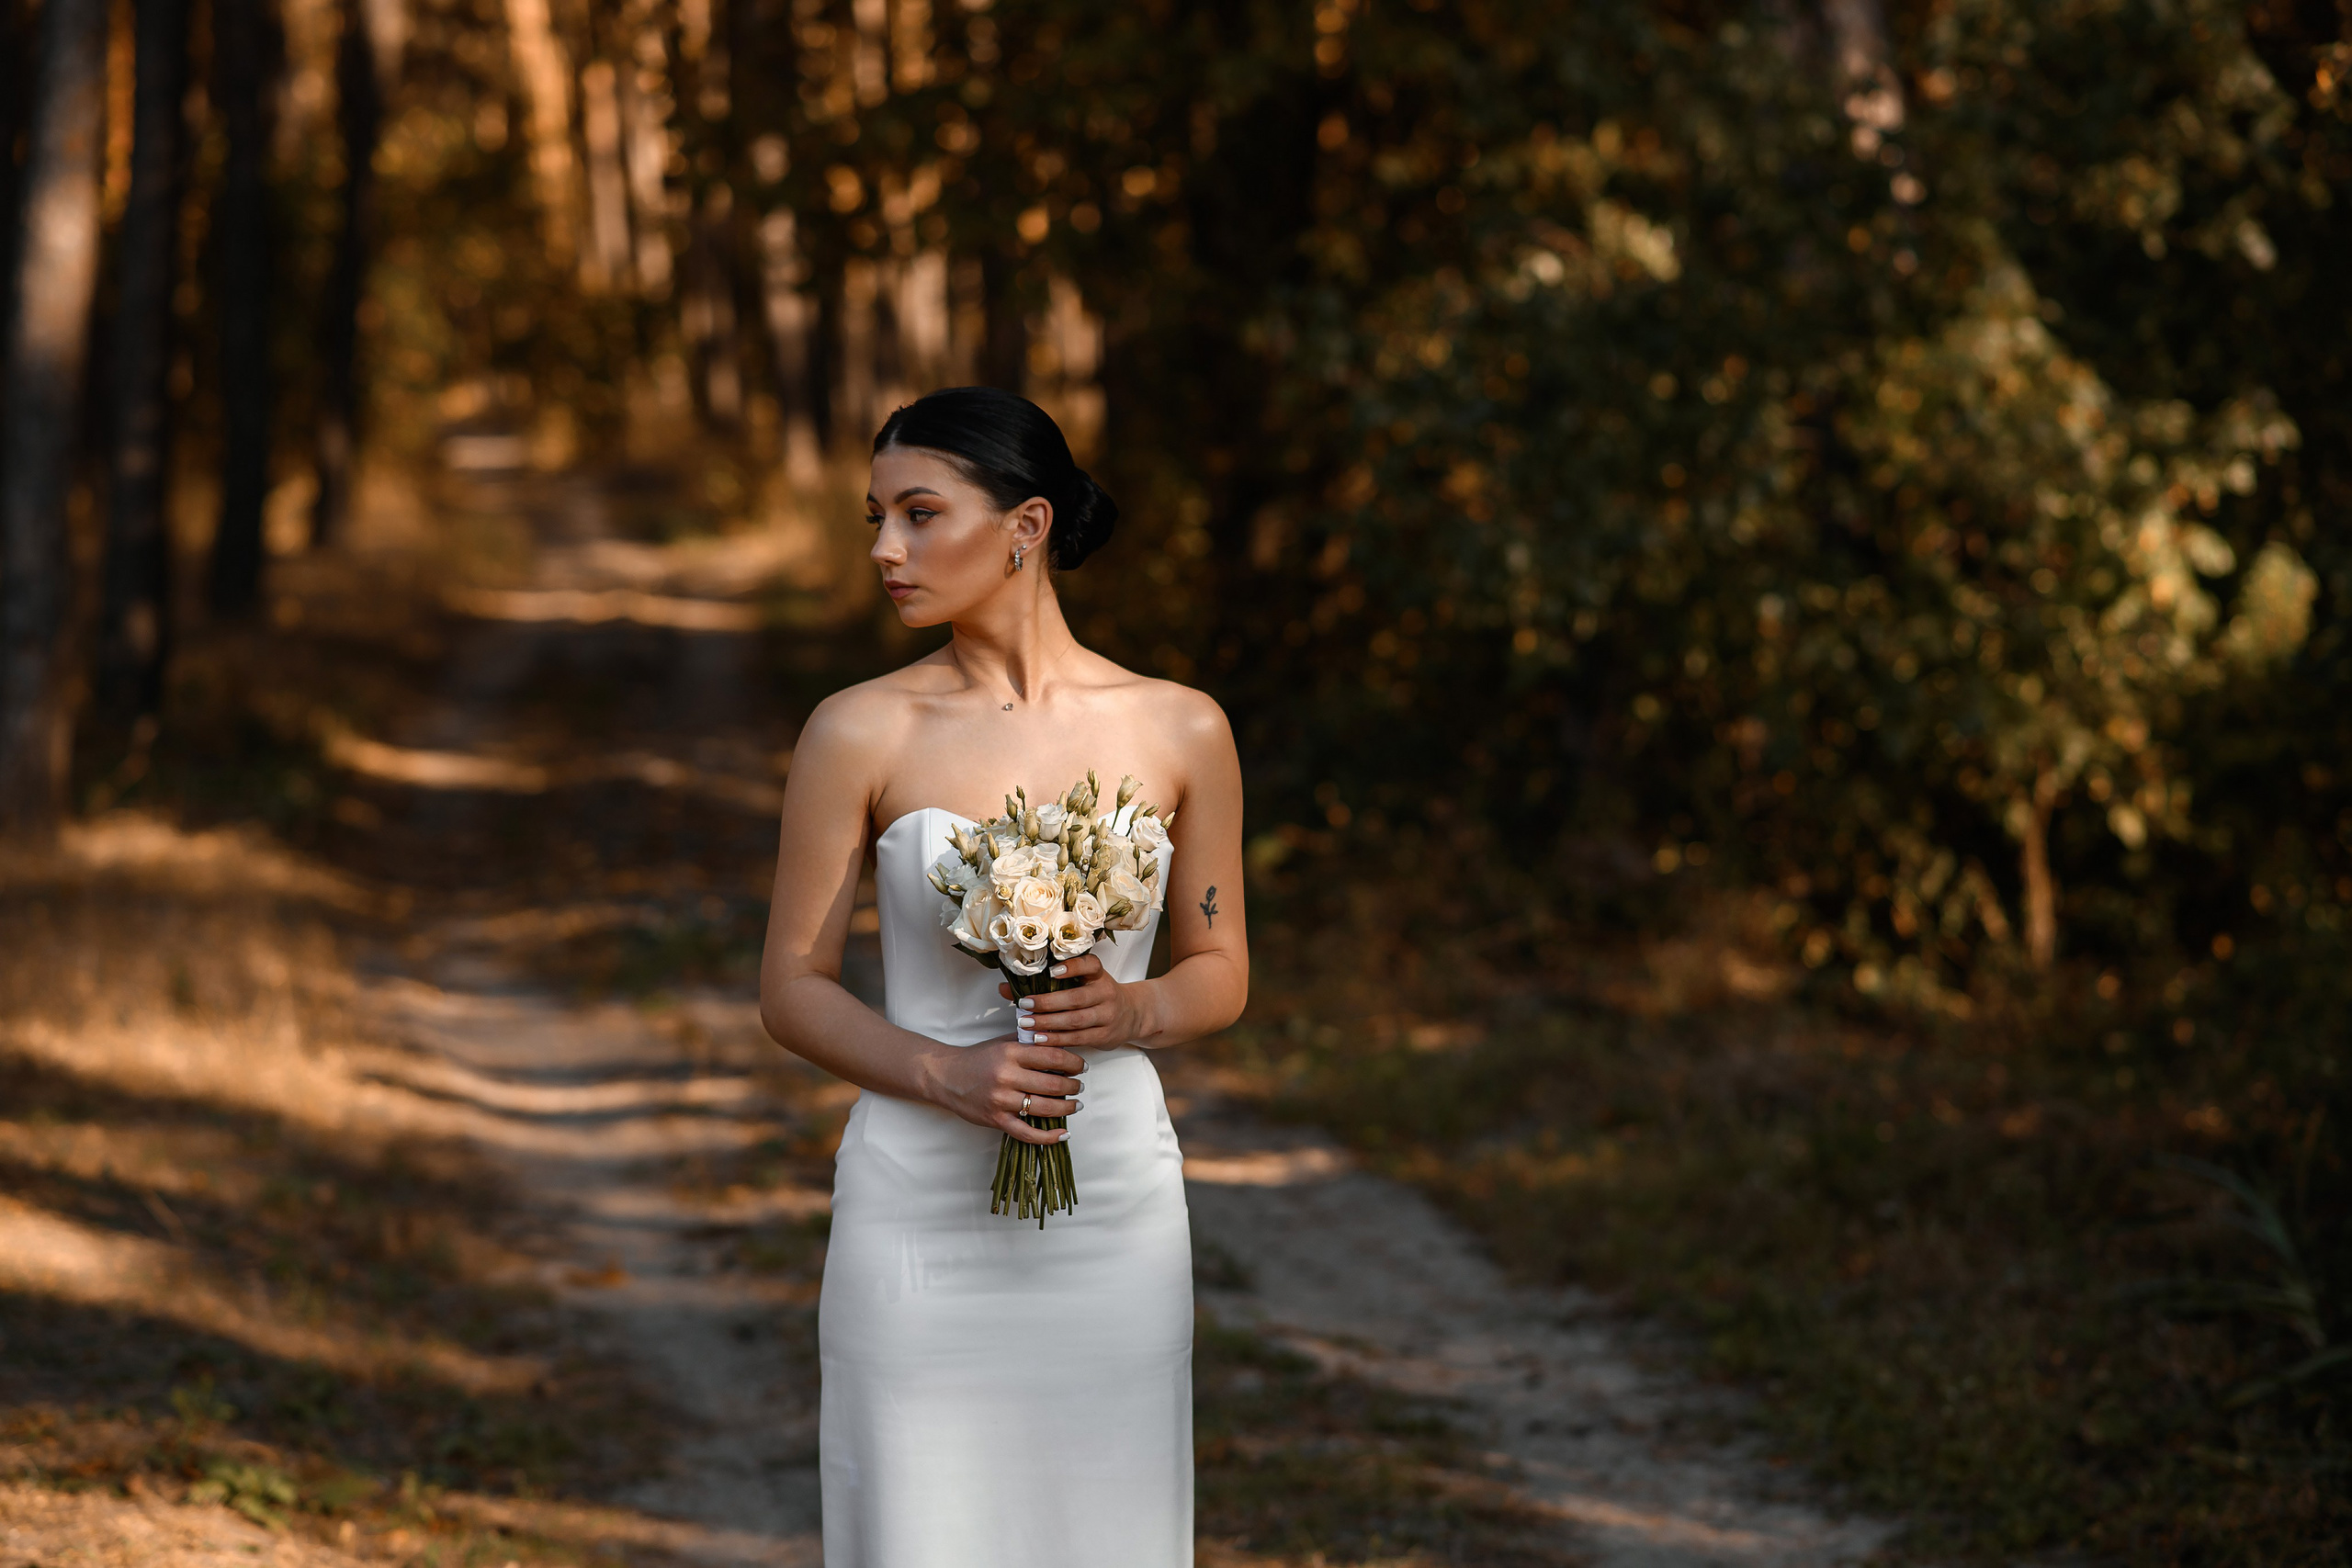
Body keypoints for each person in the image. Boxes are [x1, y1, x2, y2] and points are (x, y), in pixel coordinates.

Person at [758, 386, 1249, 1567]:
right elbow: (793, 986)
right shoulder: (856, 731)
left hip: (1111, 1201)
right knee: (921, 1527)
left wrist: (1130, 1006)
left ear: (1026, 526)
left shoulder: (1181, 729)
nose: (886, 548)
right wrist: (945, 1073)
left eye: (919, 514)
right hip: (915, 1208)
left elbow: (1220, 966)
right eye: (875, 517)